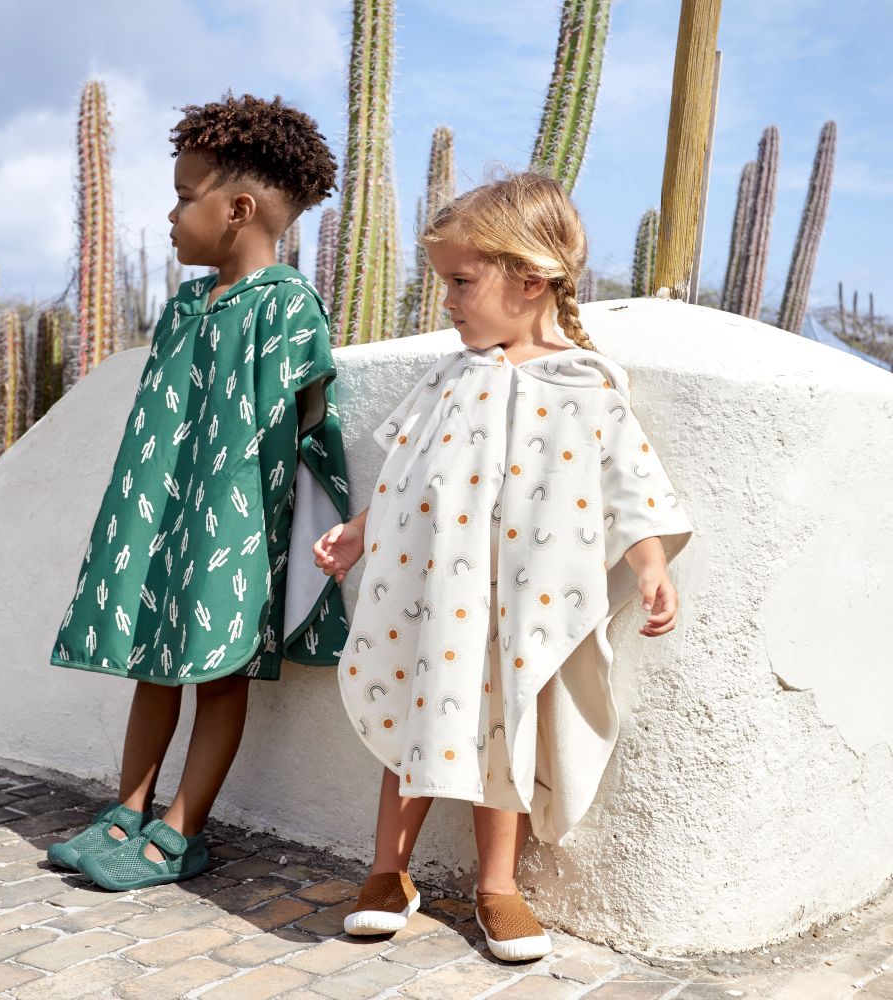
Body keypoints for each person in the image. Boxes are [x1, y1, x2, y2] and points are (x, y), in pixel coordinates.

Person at [313, 171, 694, 961]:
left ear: (532, 279)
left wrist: (651, 561)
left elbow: (629, 485)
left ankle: (498, 886)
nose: (447, 302)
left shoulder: (587, 386)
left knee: (507, 730)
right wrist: (357, 532)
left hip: (516, 607)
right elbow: (406, 476)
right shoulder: (450, 378)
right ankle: (390, 871)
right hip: (429, 600)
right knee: (412, 722)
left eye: (461, 282)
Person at [46, 93, 350, 891]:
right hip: (166, 513)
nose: (174, 214)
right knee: (153, 659)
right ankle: (129, 809)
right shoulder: (187, 305)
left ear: (239, 207)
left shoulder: (287, 305)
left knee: (217, 674)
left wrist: (274, 533)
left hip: (234, 519)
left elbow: (312, 423)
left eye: (187, 196)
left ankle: (181, 831)